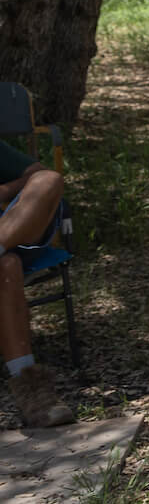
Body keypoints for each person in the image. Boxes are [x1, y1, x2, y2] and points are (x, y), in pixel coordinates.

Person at [1, 138, 73, 427]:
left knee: (49, 179)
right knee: (7, 266)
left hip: (13, 231)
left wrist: (4, 191)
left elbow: (36, 172)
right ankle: (30, 387)